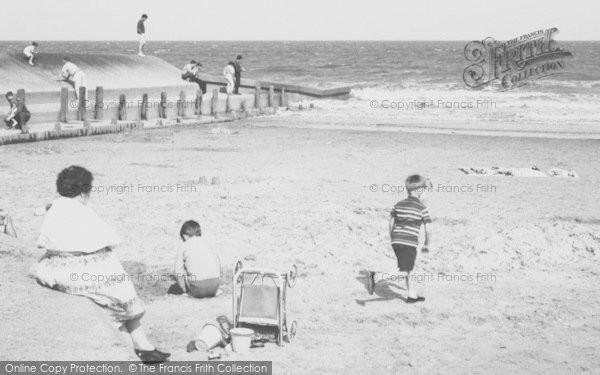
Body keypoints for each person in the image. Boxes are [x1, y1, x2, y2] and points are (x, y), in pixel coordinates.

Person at [32, 166, 170, 364]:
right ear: (83, 192)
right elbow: (112, 239)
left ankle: (141, 345)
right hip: (79, 270)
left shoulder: (56, 207)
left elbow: (44, 236)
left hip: (59, 267)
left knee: (111, 290)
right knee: (112, 272)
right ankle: (138, 345)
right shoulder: (81, 210)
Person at [366, 174, 433, 303]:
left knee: (408, 268)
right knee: (405, 271)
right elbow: (429, 229)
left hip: (396, 240)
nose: (426, 194)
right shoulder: (422, 208)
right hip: (409, 242)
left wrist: (392, 238)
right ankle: (376, 276)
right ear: (420, 191)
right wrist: (426, 244)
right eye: (425, 190)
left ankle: (411, 295)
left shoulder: (398, 205)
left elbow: (391, 223)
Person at [173, 220, 221, 298]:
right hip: (214, 288)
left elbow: (178, 271)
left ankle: (191, 292)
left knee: (184, 270)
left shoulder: (184, 246)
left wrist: (184, 290)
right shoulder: (207, 243)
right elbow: (218, 262)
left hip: (197, 290)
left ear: (184, 236)